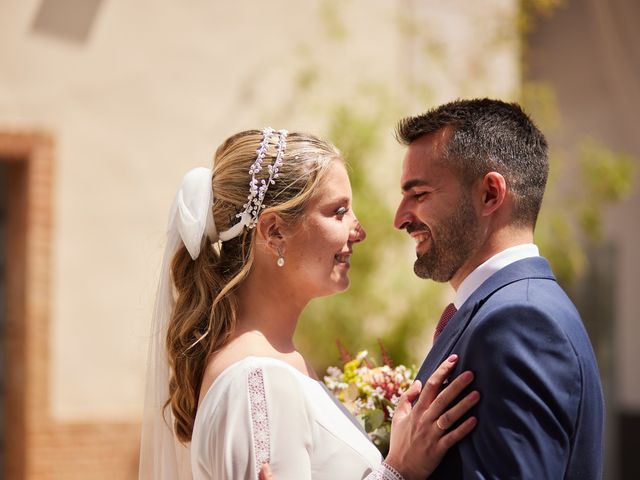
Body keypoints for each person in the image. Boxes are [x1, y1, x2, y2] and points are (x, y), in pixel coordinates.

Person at [138, 128, 480, 480]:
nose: (358, 231)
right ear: (274, 231)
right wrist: (400, 469)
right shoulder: (259, 379)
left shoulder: (277, 365)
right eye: (339, 212)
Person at [393, 98, 605, 479]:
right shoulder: (509, 311)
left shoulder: (519, 321)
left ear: (490, 194)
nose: (400, 218)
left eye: (419, 194)